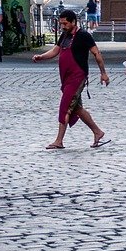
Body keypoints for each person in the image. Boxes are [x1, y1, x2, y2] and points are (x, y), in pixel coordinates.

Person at [33, 10, 110, 149]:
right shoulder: (64, 35)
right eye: (61, 23)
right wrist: (41, 57)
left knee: (65, 107)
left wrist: (103, 73)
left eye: (65, 23)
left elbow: (96, 53)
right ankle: (98, 132)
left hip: (77, 76)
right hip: (66, 77)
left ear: (74, 22)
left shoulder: (84, 35)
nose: (63, 26)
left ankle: (59, 141)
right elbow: (55, 51)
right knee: (76, 108)